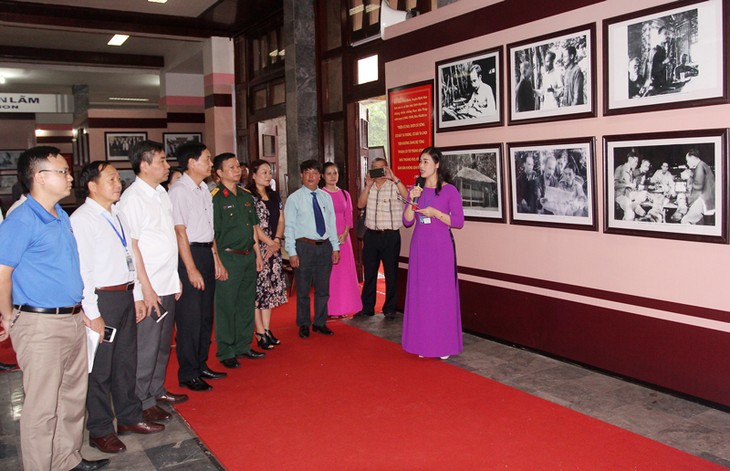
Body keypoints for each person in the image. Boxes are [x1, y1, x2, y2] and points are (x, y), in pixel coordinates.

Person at [0, 146, 109, 471]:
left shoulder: (60, 214)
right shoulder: (22, 218)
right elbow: (2, 273)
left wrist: (85, 313)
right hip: (40, 324)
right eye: (62, 171)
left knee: (72, 399)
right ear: (40, 177)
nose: (69, 177)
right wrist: (8, 316)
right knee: (42, 408)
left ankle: (66, 460)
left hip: (72, 319)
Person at [71, 161, 165, 455]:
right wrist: (92, 313)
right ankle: (100, 429)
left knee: (126, 361)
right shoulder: (83, 218)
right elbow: (83, 269)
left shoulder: (116, 214)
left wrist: (137, 294)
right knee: (101, 369)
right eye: (110, 179)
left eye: (117, 179)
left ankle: (128, 417)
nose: (117, 184)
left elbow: (130, 258)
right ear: (92, 185)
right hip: (103, 301)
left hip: (124, 296)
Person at [118, 140, 188, 423]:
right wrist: (143, 288)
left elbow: (166, 237)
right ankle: (142, 401)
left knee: (161, 344)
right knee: (146, 346)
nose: (166, 166)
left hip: (166, 280)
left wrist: (175, 278)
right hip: (149, 287)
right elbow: (130, 248)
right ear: (144, 165)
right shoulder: (132, 198)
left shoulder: (160, 192)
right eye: (161, 161)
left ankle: (155, 389)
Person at [168, 142, 229, 390]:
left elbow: (209, 230)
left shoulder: (204, 188)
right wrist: (191, 269)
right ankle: (188, 372)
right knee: (190, 318)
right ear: (191, 162)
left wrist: (215, 259)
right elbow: (179, 232)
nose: (211, 163)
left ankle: (201, 363)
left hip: (205, 252)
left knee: (205, 316)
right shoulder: (179, 191)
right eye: (207, 158)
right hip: (188, 255)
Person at [402, 147, 464, 359]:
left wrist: (436, 213)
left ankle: (442, 344)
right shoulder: (416, 189)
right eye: (420, 161)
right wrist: (412, 198)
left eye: (426, 161)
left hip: (440, 248)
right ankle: (423, 342)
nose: (421, 166)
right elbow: (407, 220)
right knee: (422, 295)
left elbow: (458, 222)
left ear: (437, 164)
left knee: (440, 295)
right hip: (420, 246)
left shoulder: (449, 191)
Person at [211, 154, 265, 367]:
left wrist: (258, 255)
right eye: (231, 167)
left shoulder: (245, 195)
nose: (237, 170)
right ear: (219, 172)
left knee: (245, 302)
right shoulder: (215, 197)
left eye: (237, 166)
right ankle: (226, 351)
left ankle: (243, 345)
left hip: (247, 256)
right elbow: (212, 234)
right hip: (228, 256)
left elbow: (252, 228)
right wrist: (217, 261)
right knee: (226, 306)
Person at [283, 159, 340, 339]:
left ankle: (320, 322)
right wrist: (292, 252)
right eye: (307, 173)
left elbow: (331, 224)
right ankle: (304, 323)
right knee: (303, 289)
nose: (311, 176)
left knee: (323, 289)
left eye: (314, 173)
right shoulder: (294, 199)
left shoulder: (325, 197)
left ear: (320, 176)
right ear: (301, 175)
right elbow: (289, 227)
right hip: (304, 247)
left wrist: (335, 248)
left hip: (324, 248)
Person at [355, 158, 408, 320]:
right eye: (375, 168)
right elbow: (360, 204)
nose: (378, 171)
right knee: (370, 273)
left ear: (387, 169)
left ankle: (390, 308)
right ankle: (367, 308)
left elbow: (408, 198)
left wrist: (395, 178)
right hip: (371, 236)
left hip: (390, 236)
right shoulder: (369, 188)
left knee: (391, 273)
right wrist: (368, 185)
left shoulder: (394, 186)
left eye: (381, 168)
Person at [247, 160, 288, 350]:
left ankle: (268, 329)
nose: (268, 175)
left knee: (270, 290)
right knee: (258, 291)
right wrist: (269, 242)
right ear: (253, 175)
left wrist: (277, 240)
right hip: (259, 249)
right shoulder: (248, 197)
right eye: (263, 172)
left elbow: (281, 218)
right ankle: (259, 332)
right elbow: (253, 225)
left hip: (274, 248)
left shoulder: (274, 195)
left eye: (269, 172)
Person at [321, 162, 363, 317]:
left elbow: (348, 215)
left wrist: (345, 233)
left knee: (344, 275)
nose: (333, 176)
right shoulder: (320, 194)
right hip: (327, 238)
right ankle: (330, 309)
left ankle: (344, 307)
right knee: (330, 274)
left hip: (343, 239)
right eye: (329, 173)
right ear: (323, 176)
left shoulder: (345, 194)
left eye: (335, 173)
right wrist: (331, 237)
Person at [682, 149, 715, 225]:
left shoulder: (700, 167)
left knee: (685, 221)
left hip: (704, 200)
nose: (687, 163)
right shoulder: (704, 165)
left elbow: (697, 188)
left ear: (693, 158)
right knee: (697, 222)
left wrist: (689, 202)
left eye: (687, 160)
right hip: (709, 200)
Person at [614, 151, 639, 220]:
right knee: (630, 213)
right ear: (630, 159)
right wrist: (627, 185)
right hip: (619, 196)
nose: (636, 164)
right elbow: (615, 185)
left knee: (640, 208)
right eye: (635, 162)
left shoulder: (631, 171)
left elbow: (630, 187)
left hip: (628, 196)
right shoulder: (620, 169)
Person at [644, 25, 670, 94]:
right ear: (659, 35)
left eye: (668, 34)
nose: (667, 36)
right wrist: (664, 62)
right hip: (655, 87)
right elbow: (652, 69)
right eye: (665, 34)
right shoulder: (654, 50)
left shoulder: (663, 50)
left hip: (663, 86)